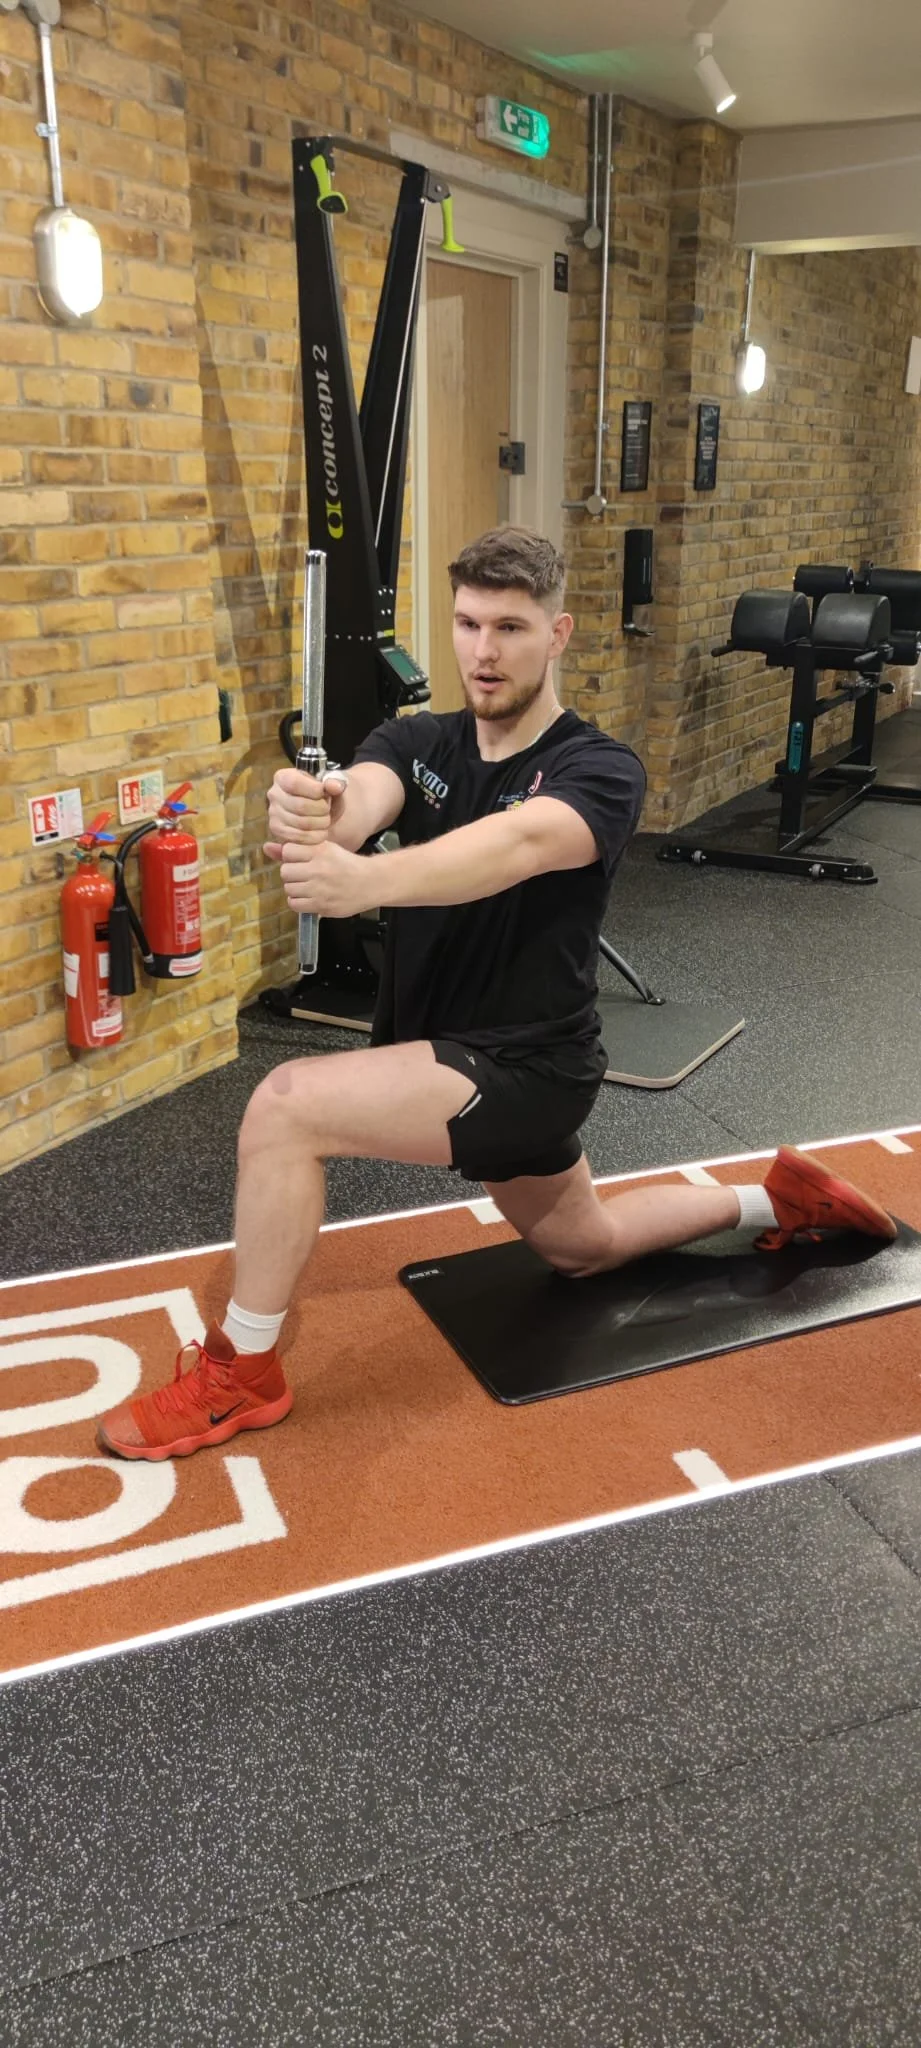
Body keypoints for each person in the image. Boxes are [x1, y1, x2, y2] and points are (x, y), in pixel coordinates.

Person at [97, 526, 897, 1461]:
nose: (483, 650)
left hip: (526, 1067)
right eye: (469, 623)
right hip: (445, 1055)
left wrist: (364, 883)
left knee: (284, 1109)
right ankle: (771, 1203)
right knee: (584, 1246)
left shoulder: (599, 769)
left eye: (510, 627)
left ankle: (244, 1376)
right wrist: (319, 813)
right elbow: (366, 793)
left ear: (556, 635)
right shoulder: (418, 737)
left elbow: (512, 848)